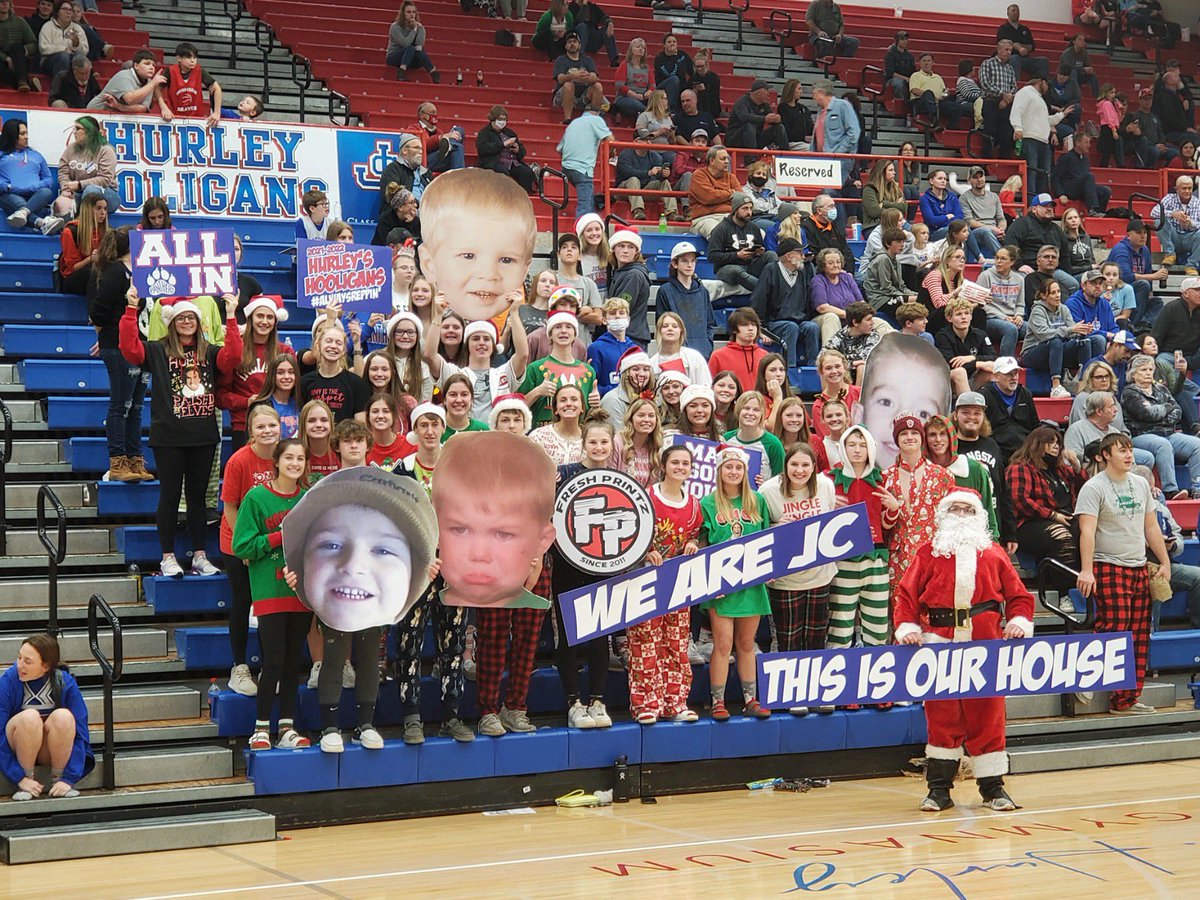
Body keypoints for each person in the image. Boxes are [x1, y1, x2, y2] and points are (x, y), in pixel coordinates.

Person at [895, 490, 1033, 812]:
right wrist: (909, 628)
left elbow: (1020, 597)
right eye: (954, 509)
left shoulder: (994, 553)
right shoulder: (928, 554)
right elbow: (905, 597)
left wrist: (1018, 621)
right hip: (940, 646)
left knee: (988, 713)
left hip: (986, 645)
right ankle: (939, 789)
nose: (960, 514)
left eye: (967, 509)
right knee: (942, 715)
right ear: (943, 515)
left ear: (979, 516)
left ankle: (993, 788)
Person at [283, 465, 437, 751]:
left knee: (369, 658)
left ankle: (365, 723)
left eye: (382, 550)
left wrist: (428, 571)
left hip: (373, 613)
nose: (354, 567)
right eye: (331, 544)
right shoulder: (326, 584)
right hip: (333, 610)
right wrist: (297, 575)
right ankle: (329, 727)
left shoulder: (385, 591)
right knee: (334, 657)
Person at [121, 291, 241, 577]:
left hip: (204, 436)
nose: (187, 322)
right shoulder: (157, 349)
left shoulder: (209, 351)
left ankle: (200, 555)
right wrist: (130, 308)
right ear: (172, 323)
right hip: (169, 437)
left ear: (199, 324)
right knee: (171, 495)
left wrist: (232, 315)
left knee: (199, 498)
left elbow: (233, 357)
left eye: (192, 318)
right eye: (181, 318)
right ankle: (167, 557)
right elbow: (129, 349)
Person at [1075, 433, 1171, 715]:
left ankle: (1126, 700)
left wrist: (1163, 561)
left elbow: (1151, 528)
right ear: (1104, 455)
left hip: (1138, 566)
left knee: (1139, 635)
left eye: (1130, 450)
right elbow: (1087, 531)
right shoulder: (1093, 488)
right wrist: (1087, 570)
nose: (1129, 455)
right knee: (1113, 627)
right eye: (1121, 451)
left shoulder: (1141, 483)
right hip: (1108, 565)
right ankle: (1086, 675)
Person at [233, 439, 310, 751]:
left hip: (300, 594)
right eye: (289, 457)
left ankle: (288, 727)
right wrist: (279, 537)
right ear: (276, 461)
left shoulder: (308, 499)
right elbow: (242, 546)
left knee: (294, 661)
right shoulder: (256, 498)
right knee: (274, 660)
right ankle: (261, 728)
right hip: (268, 591)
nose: (294, 463)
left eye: (300, 458)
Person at [626, 445, 702, 724]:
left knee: (676, 644)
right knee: (645, 642)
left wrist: (693, 544)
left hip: (679, 584)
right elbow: (630, 534)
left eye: (685, 463)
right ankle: (646, 703)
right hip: (646, 582)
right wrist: (645, 550)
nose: (680, 467)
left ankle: (676, 702)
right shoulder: (646, 497)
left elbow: (695, 535)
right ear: (664, 465)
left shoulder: (694, 503)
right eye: (675, 462)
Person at [699, 446, 772, 720]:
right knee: (722, 643)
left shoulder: (757, 501)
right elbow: (703, 543)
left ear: (746, 471)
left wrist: (768, 569)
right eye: (728, 467)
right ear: (719, 471)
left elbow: (766, 541)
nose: (733, 471)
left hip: (751, 583)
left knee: (746, 643)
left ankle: (750, 700)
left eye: (738, 467)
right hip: (721, 584)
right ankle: (718, 701)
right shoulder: (707, 503)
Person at [417, 169, 536, 325]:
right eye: (468, 256)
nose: (488, 274)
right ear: (428, 264)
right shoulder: (427, 320)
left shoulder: (517, 316)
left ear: (525, 270)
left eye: (506, 260)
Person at [220, 403, 283, 696]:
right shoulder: (239, 461)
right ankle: (238, 666)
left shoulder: (285, 456)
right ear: (251, 432)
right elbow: (230, 507)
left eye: (272, 425)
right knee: (243, 600)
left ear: (280, 427)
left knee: (271, 607)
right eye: (261, 427)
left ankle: (271, 668)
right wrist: (243, 546)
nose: (267, 431)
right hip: (239, 542)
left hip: (271, 542)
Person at [0, 634, 93, 800]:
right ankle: (28, 782)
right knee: (30, 717)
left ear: (46, 666)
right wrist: (18, 776)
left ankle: (58, 779)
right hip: (18, 746)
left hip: (48, 750)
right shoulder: (8, 681)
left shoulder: (64, 682)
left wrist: (69, 779)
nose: (19, 665)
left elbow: (80, 732)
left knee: (64, 716)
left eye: (27, 661)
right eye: (19, 657)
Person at [879, 413, 957, 596]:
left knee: (934, 617)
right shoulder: (885, 478)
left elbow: (953, 520)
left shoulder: (943, 476)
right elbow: (882, 526)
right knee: (902, 618)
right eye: (903, 433)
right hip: (898, 560)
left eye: (914, 432)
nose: (909, 437)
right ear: (896, 439)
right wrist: (892, 511)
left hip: (934, 558)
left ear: (921, 438)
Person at [827, 425, 889, 649]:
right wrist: (827, 504)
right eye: (851, 444)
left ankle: (876, 672)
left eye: (862, 445)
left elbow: (887, 523)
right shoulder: (828, 479)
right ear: (843, 447)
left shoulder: (881, 479)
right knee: (840, 624)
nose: (857, 450)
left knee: (877, 624)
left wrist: (892, 509)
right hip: (842, 560)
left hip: (876, 558)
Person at [1122, 353, 1200, 499]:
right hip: (1142, 435)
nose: (1148, 373)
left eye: (1150, 369)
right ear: (1133, 374)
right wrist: (1165, 408)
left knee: (1197, 444)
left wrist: (1158, 409)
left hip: (1169, 433)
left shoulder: (1161, 389)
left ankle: (1198, 488)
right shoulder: (1129, 392)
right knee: (1163, 445)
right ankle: (1170, 490)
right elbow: (1147, 414)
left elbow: (1177, 411)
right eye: (1143, 370)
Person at [748, 237, 819, 367]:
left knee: (812, 327)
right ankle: (789, 369)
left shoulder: (803, 271)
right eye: (799, 253)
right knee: (790, 327)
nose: (803, 256)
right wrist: (762, 329)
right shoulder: (771, 270)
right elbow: (759, 300)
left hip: (799, 321)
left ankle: (814, 368)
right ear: (788, 256)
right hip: (775, 322)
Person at [0, 119, 63, 235]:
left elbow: (48, 179)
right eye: (22, 134)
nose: (26, 137)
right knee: (13, 200)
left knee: (46, 192)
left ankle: (24, 213)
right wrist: (9, 187)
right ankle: (42, 223)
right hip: (9, 194)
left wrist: (34, 186)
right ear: (12, 135)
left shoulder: (36, 155)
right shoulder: (1, 154)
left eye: (27, 133)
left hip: (35, 194)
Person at [706, 191, 777, 294]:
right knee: (736, 270)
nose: (749, 212)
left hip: (750, 265)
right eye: (744, 208)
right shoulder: (721, 229)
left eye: (750, 208)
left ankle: (774, 286)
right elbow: (712, 256)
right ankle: (767, 292)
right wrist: (737, 255)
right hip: (726, 268)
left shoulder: (754, 228)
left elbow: (760, 249)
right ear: (735, 210)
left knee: (771, 255)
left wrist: (758, 252)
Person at [1010, 74, 1069, 198]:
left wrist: (1062, 114)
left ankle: (1041, 200)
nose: (1048, 88)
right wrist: (1018, 128)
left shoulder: (1039, 99)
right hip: (1030, 138)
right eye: (1047, 84)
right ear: (1041, 82)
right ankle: (1031, 201)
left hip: (1042, 140)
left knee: (1044, 173)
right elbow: (1016, 110)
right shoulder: (1025, 92)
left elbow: (1045, 120)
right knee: (1031, 172)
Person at [655, 242, 714, 358]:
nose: (689, 265)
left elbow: (710, 324)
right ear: (674, 263)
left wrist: (707, 346)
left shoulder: (703, 292)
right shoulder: (665, 291)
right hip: (676, 354)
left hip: (702, 355)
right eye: (684, 261)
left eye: (693, 261)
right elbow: (662, 325)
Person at [52, 114, 117, 217]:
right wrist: (66, 188)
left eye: (77, 128)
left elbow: (105, 179)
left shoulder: (106, 150)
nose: (74, 132)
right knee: (61, 203)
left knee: (91, 190)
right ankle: (67, 229)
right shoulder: (71, 148)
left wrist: (79, 184)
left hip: (108, 194)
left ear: (89, 131)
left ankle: (84, 224)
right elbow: (63, 171)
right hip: (78, 193)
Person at [557, 100, 612, 219]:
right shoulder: (596, 120)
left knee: (589, 201)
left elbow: (560, 149)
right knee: (585, 207)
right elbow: (610, 140)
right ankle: (580, 234)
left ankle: (591, 220)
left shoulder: (574, 123)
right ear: (597, 113)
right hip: (582, 168)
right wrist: (613, 153)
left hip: (567, 168)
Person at [1108, 219, 1168, 321]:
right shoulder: (1121, 249)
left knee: (1157, 302)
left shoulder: (1145, 250)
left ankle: (1145, 325)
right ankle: (1133, 324)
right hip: (1117, 291)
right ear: (1128, 235)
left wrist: (1150, 292)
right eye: (1138, 232)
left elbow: (1147, 272)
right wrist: (1153, 277)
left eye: (1145, 232)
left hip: (1137, 291)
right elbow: (1125, 277)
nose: (1143, 236)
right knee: (1143, 284)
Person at [935, 298, 997, 396]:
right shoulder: (943, 336)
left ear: (971, 316)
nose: (964, 317)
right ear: (949, 318)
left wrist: (973, 358)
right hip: (948, 381)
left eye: (967, 313)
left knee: (991, 370)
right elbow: (950, 363)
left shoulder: (980, 334)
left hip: (971, 377)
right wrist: (977, 364)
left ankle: (992, 408)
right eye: (959, 314)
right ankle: (968, 406)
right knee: (960, 372)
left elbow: (993, 356)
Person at [983, 356, 1038, 464]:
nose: (1014, 377)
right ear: (996, 376)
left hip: (1024, 452)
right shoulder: (985, 395)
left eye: (1015, 373)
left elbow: (1035, 425)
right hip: (997, 453)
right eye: (1008, 374)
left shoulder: (1025, 393)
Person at [155, 41, 222, 126]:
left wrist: (216, 112)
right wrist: (163, 108)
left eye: (194, 57)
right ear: (179, 58)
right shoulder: (170, 71)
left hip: (197, 119)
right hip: (174, 118)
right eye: (188, 57)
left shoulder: (199, 71)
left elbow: (217, 89)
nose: (192, 61)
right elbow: (156, 89)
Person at [616, 135, 676, 222]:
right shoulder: (625, 154)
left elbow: (658, 176)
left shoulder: (655, 156)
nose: (648, 142)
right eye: (644, 140)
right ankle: (638, 210)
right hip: (623, 190)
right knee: (633, 179)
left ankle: (671, 212)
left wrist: (663, 174)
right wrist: (648, 173)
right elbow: (627, 172)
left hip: (645, 189)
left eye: (649, 140)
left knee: (664, 182)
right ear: (636, 141)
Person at [1050, 132, 1109, 217]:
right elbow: (1055, 177)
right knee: (1089, 176)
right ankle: (1092, 210)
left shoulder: (1086, 160)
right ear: (1077, 143)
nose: (1089, 145)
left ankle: (1100, 213)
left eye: (1089, 142)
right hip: (1069, 189)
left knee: (1105, 190)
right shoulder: (1066, 157)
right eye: (1086, 142)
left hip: (1080, 189)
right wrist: (1061, 194)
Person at [707, 307, 766, 392]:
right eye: (744, 325)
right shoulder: (718, 356)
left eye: (753, 324)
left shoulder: (765, 356)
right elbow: (710, 387)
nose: (750, 328)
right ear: (734, 330)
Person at [688, 144, 739, 240]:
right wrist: (731, 193)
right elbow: (709, 197)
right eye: (723, 159)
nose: (727, 162)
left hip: (731, 217)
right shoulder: (699, 175)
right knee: (719, 233)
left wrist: (719, 194)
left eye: (727, 159)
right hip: (705, 218)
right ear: (712, 161)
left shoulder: (731, 177)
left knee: (758, 233)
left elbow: (740, 199)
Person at [1152, 175, 1200, 275]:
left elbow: (1198, 224)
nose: (1187, 191)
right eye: (1184, 188)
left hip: (1190, 238)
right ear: (1177, 189)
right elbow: (1154, 212)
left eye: (1190, 188)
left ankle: (1192, 265)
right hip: (1173, 237)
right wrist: (1172, 214)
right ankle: (1170, 254)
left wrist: (1190, 223)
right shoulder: (1169, 198)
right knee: (1158, 221)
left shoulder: (1197, 202)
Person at [552, 32, 604, 124]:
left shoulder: (587, 60)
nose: (572, 44)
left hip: (583, 96)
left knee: (598, 86)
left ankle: (593, 119)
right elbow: (560, 79)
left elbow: (595, 77)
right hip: (563, 96)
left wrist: (582, 78)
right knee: (568, 85)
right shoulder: (561, 60)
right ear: (565, 46)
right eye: (569, 42)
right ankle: (567, 119)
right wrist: (574, 76)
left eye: (575, 42)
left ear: (579, 45)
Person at [979, 41, 1018, 157]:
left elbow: (1014, 86)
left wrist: (1007, 99)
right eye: (1006, 49)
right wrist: (1002, 95)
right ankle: (986, 163)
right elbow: (985, 83)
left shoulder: (1010, 68)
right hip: (991, 102)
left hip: (1006, 104)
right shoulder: (987, 64)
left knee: (1007, 135)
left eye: (1010, 50)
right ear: (999, 49)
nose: (1009, 52)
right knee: (989, 134)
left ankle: (1004, 162)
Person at [387, 2, 440, 82]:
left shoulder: (417, 26)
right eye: (408, 12)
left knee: (418, 49)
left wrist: (420, 28)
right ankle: (401, 72)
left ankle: (433, 72)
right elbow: (405, 43)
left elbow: (420, 45)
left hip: (410, 57)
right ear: (403, 14)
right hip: (394, 56)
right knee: (410, 48)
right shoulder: (395, 27)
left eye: (413, 12)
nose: (412, 15)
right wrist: (414, 30)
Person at [801, 193, 854, 274]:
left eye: (834, 206)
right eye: (830, 206)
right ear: (819, 211)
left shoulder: (836, 227)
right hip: (820, 271)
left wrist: (849, 272)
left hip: (840, 270)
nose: (834, 209)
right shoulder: (806, 227)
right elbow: (814, 255)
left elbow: (847, 252)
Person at [726, 79, 786, 151]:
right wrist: (764, 119)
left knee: (779, 127)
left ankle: (786, 155)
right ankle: (751, 159)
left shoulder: (764, 104)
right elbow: (744, 117)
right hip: (736, 139)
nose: (768, 93)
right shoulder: (742, 102)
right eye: (766, 90)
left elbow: (769, 117)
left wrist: (776, 119)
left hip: (756, 138)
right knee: (749, 126)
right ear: (759, 93)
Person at [810, 80, 860, 158]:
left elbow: (853, 133)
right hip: (821, 159)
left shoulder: (843, 106)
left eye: (814, 94)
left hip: (839, 160)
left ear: (820, 92)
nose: (813, 98)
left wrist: (839, 152)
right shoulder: (820, 113)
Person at [411, 100, 464, 174]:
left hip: (440, 159)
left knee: (458, 131)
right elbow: (421, 145)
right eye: (432, 113)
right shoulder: (414, 128)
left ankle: (451, 145)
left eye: (436, 113)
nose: (435, 115)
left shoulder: (438, 130)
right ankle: (460, 176)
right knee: (456, 146)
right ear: (422, 115)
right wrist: (440, 138)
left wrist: (450, 137)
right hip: (425, 160)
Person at [37, 0, 84, 79]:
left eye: (70, 10)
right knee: (63, 56)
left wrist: (76, 44)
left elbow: (84, 51)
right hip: (48, 61)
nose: (68, 12)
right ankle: (59, 88)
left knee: (78, 57)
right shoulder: (48, 26)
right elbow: (43, 48)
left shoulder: (77, 28)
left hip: (71, 60)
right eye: (65, 9)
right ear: (58, 12)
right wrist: (63, 49)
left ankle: (78, 87)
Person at [613, 36, 653, 123]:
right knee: (637, 105)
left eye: (643, 48)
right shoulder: (625, 65)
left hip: (643, 97)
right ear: (631, 50)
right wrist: (634, 95)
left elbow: (652, 85)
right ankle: (648, 116)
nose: (641, 49)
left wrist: (649, 92)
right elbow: (619, 85)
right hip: (625, 97)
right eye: (638, 47)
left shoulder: (647, 68)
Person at [0, 0, 36, 92]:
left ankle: (22, 82)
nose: (5, 4)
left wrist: (21, 52)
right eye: (1, 1)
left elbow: (33, 43)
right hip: (2, 59)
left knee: (16, 47)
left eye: (7, 1)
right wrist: (6, 58)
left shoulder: (19, 21)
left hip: (19, 58)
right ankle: (26, 85)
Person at [653, 33, 692, 113]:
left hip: (681, 86)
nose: (672, 44)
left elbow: (692, 71)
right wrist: (673, 56)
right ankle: (671, 109)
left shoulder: (683, 55)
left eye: (674, 41)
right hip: (663, 87)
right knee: (674, 79)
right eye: (669, 42)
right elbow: (670, 73)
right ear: (664, 45)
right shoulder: (659, 58)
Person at [1060, 32, 1099, 97]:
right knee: (1073, 72)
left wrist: (1089, 69)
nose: (1082, 42)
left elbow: (1086, 65)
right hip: (1067, 75)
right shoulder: (1067, 53)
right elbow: (1068, 66)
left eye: (1083, 40)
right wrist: (1083, 69)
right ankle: (1076, 94)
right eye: (1080, 39)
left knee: (1092, 75)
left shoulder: (1084, 52)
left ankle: (1097, 96)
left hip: (1079, 75)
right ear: (1074, 42)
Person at [883, 29, 915, 100]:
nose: (904, 41)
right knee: (898, 83)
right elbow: (890, 73)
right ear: (897, 41)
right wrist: (906, 78)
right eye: (902, 39)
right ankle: (900, 103)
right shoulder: (890, 55)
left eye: (906, 39)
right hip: (892, 80)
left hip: (907, 79)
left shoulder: (910, 56)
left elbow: (913, 71)